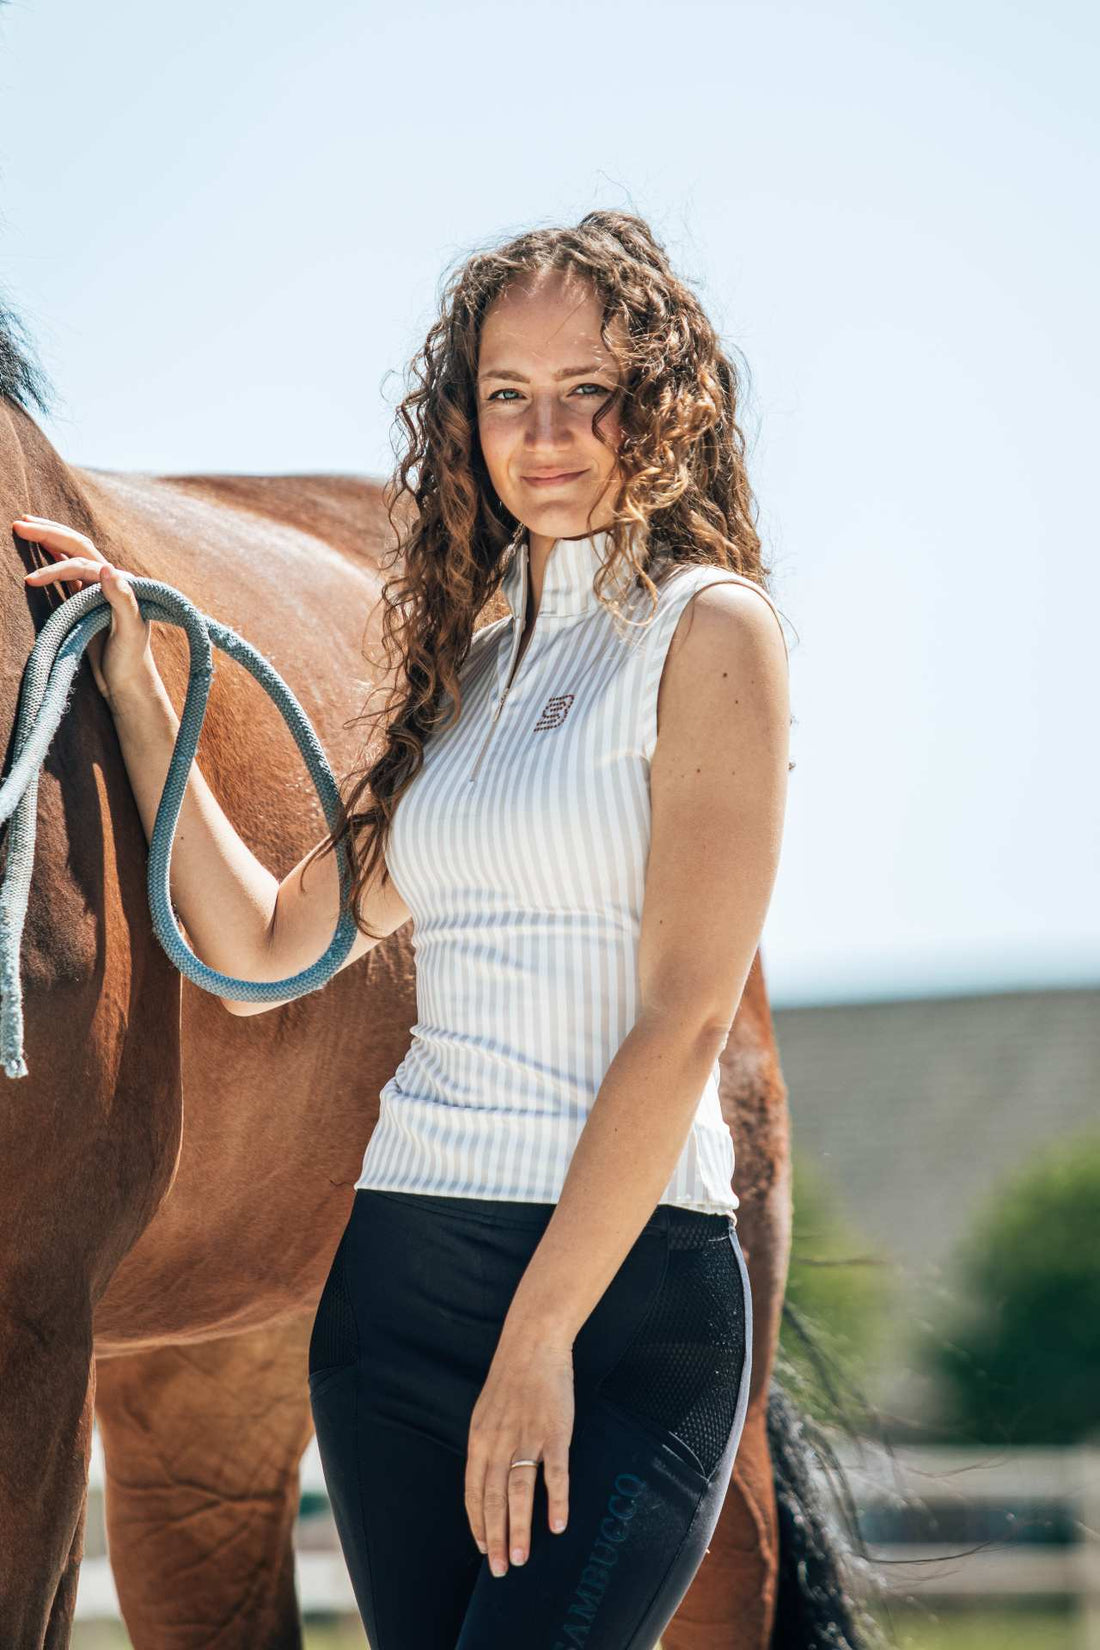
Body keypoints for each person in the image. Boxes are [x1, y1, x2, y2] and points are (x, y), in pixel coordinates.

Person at [15, 208, 790, 1648]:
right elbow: (263, 954)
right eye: (506, 395)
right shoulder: (468, 664)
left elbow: (684, 1015)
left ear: (661, 404)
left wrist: (544, 1333)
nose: (543, 434)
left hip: (618, 1301)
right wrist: (134, 687)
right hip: (399, 1303)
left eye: (587, 393)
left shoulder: (711, 631)